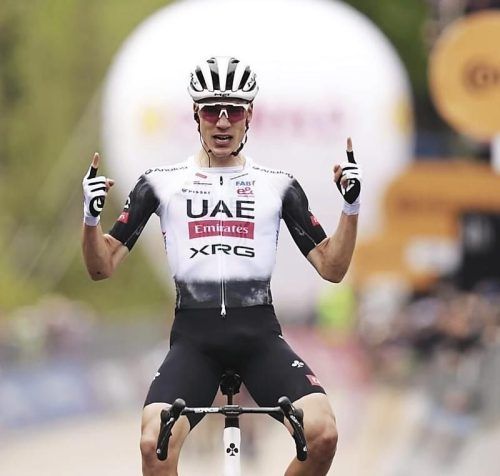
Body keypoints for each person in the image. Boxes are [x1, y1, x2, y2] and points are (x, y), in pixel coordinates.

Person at [82, 56, 362, 475]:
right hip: (194, 342)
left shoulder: (278, 184)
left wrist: (351, 206)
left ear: (250, 115)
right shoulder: (160, 183)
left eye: (234, 110)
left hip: (260, 338)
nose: (224, 121)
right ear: (197, 115)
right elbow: (100, 266)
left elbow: (332, 267)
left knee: (323, 434)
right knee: (153, 445)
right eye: (213, 110)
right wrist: (90, 219)